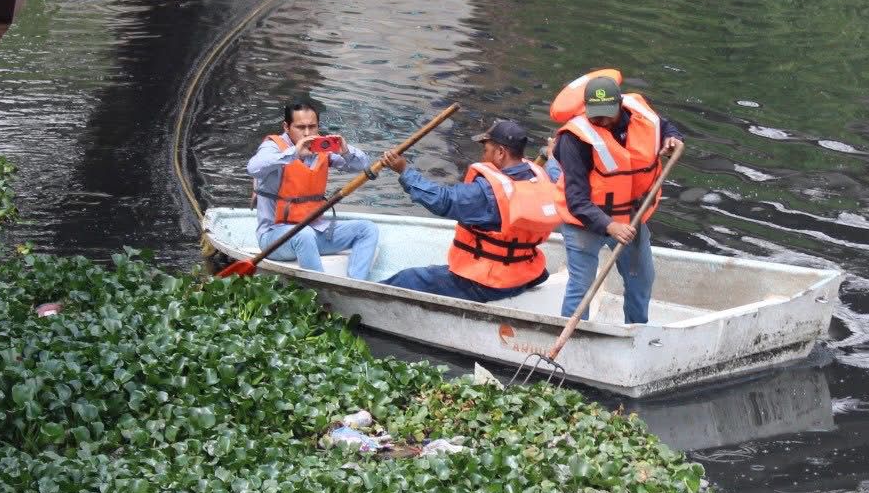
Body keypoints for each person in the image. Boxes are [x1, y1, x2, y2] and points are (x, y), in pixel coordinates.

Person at [550, 71, 684, 324]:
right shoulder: (574, 139)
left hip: (630, 217)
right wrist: (610, 226)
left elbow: (664, 126)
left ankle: (636, 330)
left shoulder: (641, 113)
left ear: (620, 105)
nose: (600, 120)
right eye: (594, 114)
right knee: (582, 286)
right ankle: (575, 335)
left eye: (607, 113)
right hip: (584, 221)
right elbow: (576, 199)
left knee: (642, 279)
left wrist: (672, 138)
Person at [377, 119, 559, 302]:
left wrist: (404, 171)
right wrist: (552, 158)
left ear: (500, 152)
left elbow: (443, 201)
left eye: (485, 150)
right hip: (524, 276)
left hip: (488, 283)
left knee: (408, 279)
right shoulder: (542, 179)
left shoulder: (488, 192)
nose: (483, 156)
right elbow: (556, 175)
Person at [246, 97, 379, 279]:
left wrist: (346, 152)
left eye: (312, 126)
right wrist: (293, 153)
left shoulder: (322, 147)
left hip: (315, 231)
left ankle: (356, 285)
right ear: (286, 127)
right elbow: (253, 168)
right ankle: (320, 288)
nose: (307, 133)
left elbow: (362, 165)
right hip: (274, 237)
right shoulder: (272, 147)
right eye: (300, 127)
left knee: (367, 229)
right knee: (304, 234)